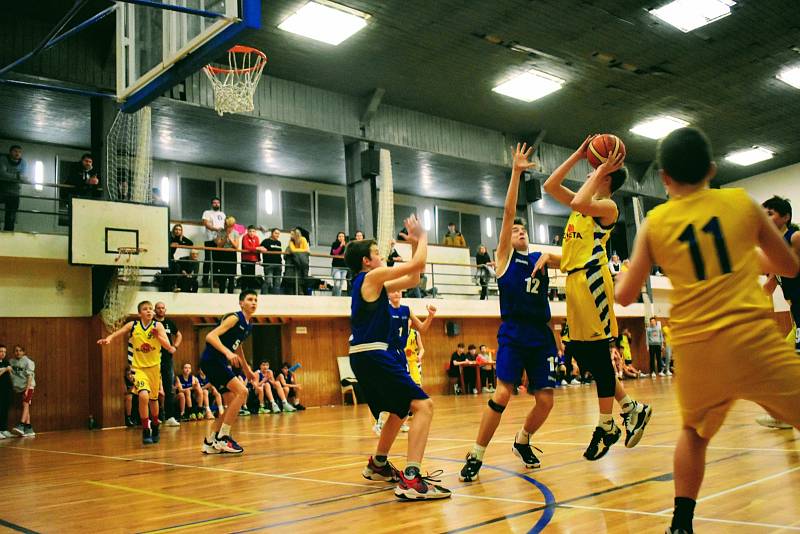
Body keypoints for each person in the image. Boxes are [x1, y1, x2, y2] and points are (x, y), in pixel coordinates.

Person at [614, 126, 800, 534]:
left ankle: (681, 524)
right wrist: (747, 255)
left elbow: (625, 296)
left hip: (698, 348)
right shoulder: (740, 202)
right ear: (712, 170)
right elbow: (788, 267)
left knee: (693, 436)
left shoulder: (656, 221)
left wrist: (623, 272)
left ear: (664, 178)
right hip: (752, 337)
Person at [543, 135, 652, 461]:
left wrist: (602, 165)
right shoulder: (583, 203)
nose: (588, 172)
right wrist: (578, 154)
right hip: (574, 282)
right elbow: (550, 185)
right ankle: (633, 408)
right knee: (578, 351)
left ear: (605, 176)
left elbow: (578, 202)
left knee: (597, 355)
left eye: (594, 170)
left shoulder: (607, 206)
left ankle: (607, 425)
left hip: (592, 283)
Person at [459, 143, 563, 483]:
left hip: (541, 333)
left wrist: (551, 256)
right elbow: (507, 215)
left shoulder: (538, 259)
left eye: (523, 230)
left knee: (546, 402)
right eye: (515, 230)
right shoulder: (505, 260)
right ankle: (476, 454)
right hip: (515, 332)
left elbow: (570, 261)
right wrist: (516, 173)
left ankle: (523, 440)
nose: (519, 231)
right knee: (502, 393)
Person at [345, 214, 451, 500]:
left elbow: (415, 277)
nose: (381, 256)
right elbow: (417, 266)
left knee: (399, 410)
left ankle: (378, 463)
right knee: (424, 406)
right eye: (377, 253)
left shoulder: (372, 284)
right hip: (374, 353)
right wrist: (423, 236)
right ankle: (412, 479)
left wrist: (416, 245)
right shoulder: (371, 276)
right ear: (366, 261)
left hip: (365, 355)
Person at [98, 301, 176, 445]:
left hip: (154, 368)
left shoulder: (157, 326)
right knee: (143, 395)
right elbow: (118, 332)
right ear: (140, 313)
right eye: (145, 309)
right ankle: (146, 429)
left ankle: (155, 425)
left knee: (153, 400)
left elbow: (168, 346)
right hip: (138, 368)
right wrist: (109, 338)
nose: (149, 311)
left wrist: (157, 336)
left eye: (150, 309)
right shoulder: (133, 325)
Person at [756, 195, 800, 429]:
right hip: (796, 314)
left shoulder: (795, 237)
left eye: (771, 213)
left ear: (786, 217)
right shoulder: (771, 246)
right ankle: (786, 415)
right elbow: (772, 282)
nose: (766, 218)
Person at [198, 290, 260, 454]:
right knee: (243, 391)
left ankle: (210, 441)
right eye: (249, 299)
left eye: (255, 300)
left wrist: (247, 371)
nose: (253, 302)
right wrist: (227, 353)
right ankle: (223, 437)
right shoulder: (234, 317)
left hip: (217, 362)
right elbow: (211, 336)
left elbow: (238, 347)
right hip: (213, 360)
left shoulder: (248, 324)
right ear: (241, 303)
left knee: (232, 400)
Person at [374, 294, 436, 434]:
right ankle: (379, 420)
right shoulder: (383, 309)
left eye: (398, 290)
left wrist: (430, 316)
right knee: (389, 390)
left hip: (401, 355)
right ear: (388, 294)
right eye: (392, 290)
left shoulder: (407, 310)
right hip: (386, 353)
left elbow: (422, 328)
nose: (396, 293)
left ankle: (397, 420)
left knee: (401, 392)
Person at [154, 301, 182, 427]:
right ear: (155, 310)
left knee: (169, 388)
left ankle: (170, 416)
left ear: (165, 310)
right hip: (153, 358)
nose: (160, 310)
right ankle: (154, 417)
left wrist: (175, 346)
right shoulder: (152, 323)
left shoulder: (170, 323)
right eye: (158, 308)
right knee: (152, 388)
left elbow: (179, 335)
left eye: (162, 308)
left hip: (167, 359)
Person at [8, 345, 36, 437]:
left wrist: (27, 390)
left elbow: (30, 376)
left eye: (20, 351)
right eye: (16, 351)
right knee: (25, 405)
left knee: (25, 404)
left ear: (23, 352)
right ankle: (29, 428)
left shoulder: (28, 362)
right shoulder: (12, 362)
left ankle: (21, 425)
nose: (18, 352)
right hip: (19, 387)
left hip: (28, 386)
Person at [0, 145, 27, 231]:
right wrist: (17, 176)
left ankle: (8, 234)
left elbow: (23, 177)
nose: (17, 153)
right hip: (1, 190)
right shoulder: (3, 159)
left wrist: (10, 175)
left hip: (14, 192)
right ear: (10, 152)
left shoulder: (23, 162)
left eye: (19, 152)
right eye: (15, 151)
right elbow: (2, 174)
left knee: (11, 216)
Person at [201, 197, 226, 287]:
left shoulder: (222, 214)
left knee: (217, 261)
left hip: (219, 241)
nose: (216, 204)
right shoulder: (207, 212)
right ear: (211, 204)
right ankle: (205, 280)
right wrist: (216, 229)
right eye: (214, 203)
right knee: (208, 260)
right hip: (209, 239)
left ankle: (215, 280)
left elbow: (226, 225)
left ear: (219, 204)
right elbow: (206, 223)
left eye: (217, 203)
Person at [214, 216, 240, 294]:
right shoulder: (221, 232)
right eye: (225, 224)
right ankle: (221, 293)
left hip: (232, 255)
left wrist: (230, 238)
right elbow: (219, 245)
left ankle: (230, 294)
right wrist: (226, 237)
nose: (225, 225)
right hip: (222, 255)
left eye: (227, 224)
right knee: (222, 277)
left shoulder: (236, 233)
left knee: (231, 277)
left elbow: (236, 246)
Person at [167, 224, 193, 291]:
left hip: (171, 256)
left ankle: (174, 286)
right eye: (176, 229)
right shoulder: (169, 235)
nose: (177, 231)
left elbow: (191, 243)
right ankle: (171, 286)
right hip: (166, 255)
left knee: (177, 267)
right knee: (173, 268)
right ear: (173, 230)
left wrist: (180, 244)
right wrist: (170, 244)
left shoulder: (179, 237)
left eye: (179, 230)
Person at [285, 227, 310, 295]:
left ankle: (301, 291)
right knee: (293, 280)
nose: (291, 236)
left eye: (292, 234)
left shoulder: (303, 239)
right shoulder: (291, 241)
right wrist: (300, 251)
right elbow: (293, 250)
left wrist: (297, 251)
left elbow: (306, 250)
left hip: (301, 261)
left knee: (300, 279)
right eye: (291, 234)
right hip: (294, 263)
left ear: (297, 234)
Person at [259, 228, 283, 294]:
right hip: (268, 265)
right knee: (268, 281)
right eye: (276, 233)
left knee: (277, 283)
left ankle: (275, 297)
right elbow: (259, 249)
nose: (277, 235)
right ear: (272, 233)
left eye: (278, 233)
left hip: (278, 265)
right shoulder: (266, 241)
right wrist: (259, 260)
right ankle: (264, 295)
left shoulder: (279, 243)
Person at [241, 225, 262, 292]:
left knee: (251, 277)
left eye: (253, 231)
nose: (252, 233)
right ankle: (243, 291)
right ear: (247, 231)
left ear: (255, 232)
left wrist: (259, 259)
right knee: (245, 277)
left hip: (253, 260)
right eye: (250, 231)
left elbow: (258, 248)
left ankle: (251, 292)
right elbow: (246, 247)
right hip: (245, 259)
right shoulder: (245, 237)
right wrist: (256, 248)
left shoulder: (256, 238)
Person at [0, 345, 13, 438]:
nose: (3, 353)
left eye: (4, 351)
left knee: (4, 409)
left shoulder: (6, 361)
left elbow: (11, 372)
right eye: (1, 351)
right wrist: (4, 369)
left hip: (5, 390)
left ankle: (3, 429)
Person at [330, 231, 348, 296]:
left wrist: (344, 246)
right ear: (337, 237)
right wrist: (340, 246)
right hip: (336, 266)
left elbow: (347, 254)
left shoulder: (347, 245)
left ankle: (336, 297)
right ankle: (336, 297)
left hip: (344, 267)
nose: (341, 238)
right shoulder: (335, 244)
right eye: (339, 236)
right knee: (337, 282)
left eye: (342, 236)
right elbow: (334, 253)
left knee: (340, 285)